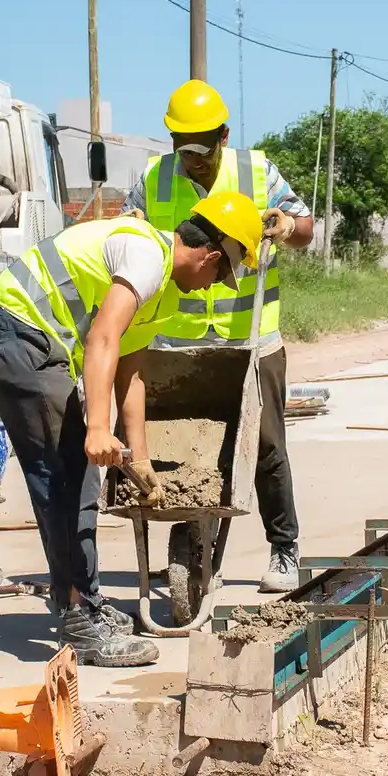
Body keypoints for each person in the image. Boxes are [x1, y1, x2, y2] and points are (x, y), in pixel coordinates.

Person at [0, 192, 264, 667]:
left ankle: (85, 603)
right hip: (15, 332)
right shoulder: (147, 255)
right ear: (210, 257)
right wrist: (97, 428)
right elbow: (102, 337)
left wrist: (140, 458)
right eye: (218, 277)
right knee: (68, 479)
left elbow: (130, 371)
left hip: (27, 339)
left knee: (74, 477)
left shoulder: (162, 291)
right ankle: (79, 620)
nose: (210, 288)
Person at [120, 80, 314, 593]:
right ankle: (194, 550)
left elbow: (306, 227)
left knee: (266, 444)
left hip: (250, 338)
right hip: (177, 341)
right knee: (187, 449)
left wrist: (286, 226)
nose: (193, 161)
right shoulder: (154, 178)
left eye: (202, 150)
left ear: (223, 137)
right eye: (182, 149)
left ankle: (284, 547)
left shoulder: (257, 172)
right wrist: (131, 224)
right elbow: (125, 232)